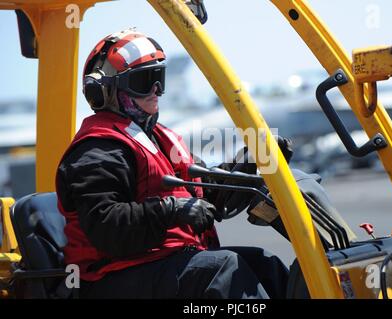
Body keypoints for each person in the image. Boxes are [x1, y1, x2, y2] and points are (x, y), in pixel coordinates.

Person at [56, 29, 289, 299]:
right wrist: (168, 210)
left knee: (264, 264)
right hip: (110, 279)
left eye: (159, 79)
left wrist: (249, 165)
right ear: (105, 90)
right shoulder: (97, 151)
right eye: (144, 81)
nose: (156, 91)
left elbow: (201, 191)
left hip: (160, 266)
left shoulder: (158, 139)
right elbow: (107, 228)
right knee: (222, 269)